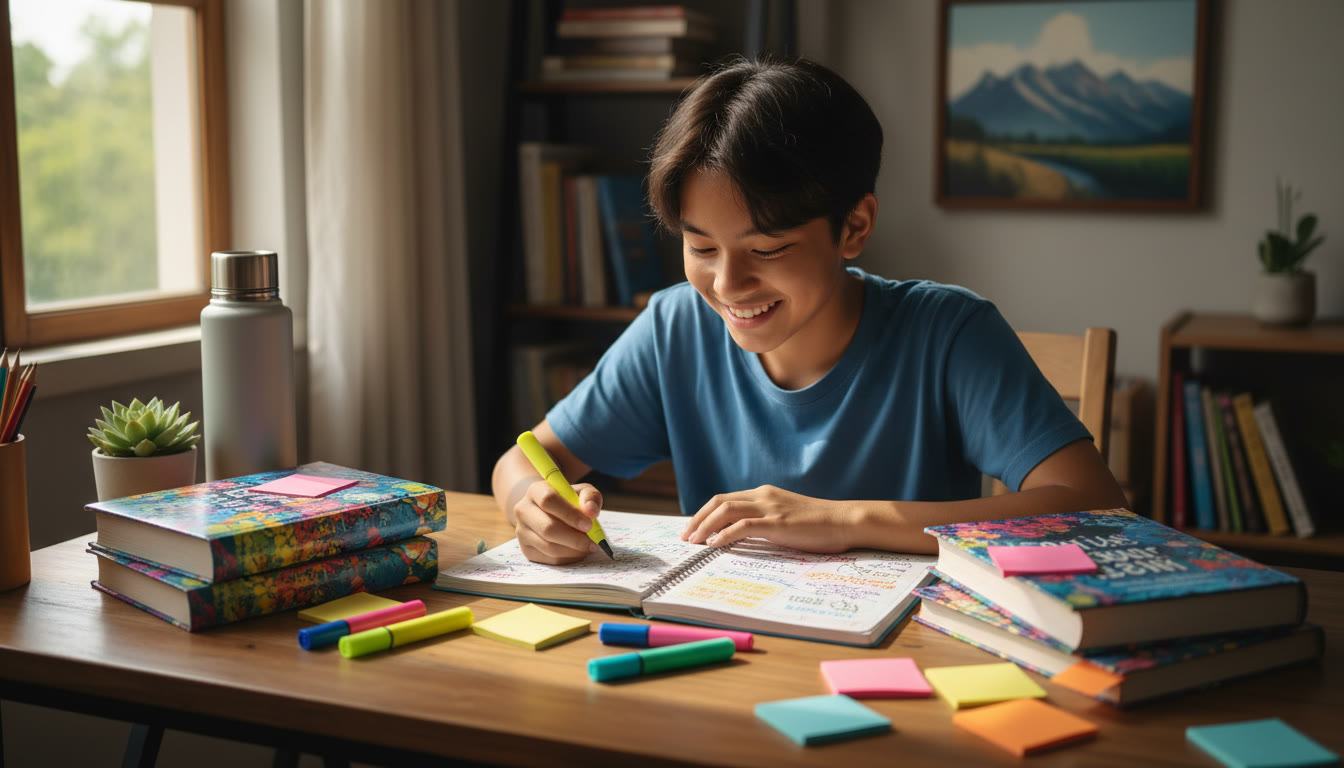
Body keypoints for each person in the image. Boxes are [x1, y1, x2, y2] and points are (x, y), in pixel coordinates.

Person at [492, 57, 1127, 565]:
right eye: (701, 247)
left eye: (767, 249)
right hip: (730, 647)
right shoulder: (675, 327)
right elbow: (524, 459)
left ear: (854, 226)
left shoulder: (948, 333)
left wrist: (846, 520)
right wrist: (535, 507)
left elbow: (1097, 509)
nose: (728, 284)